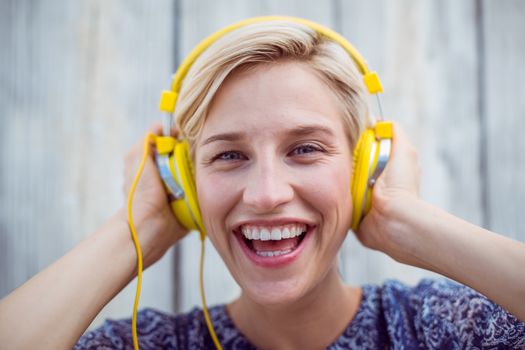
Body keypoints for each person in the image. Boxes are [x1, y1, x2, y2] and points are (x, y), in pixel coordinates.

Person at [1, 18, 524, 350]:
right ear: (184, 182)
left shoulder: (447, 328)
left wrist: (403, 216)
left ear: (363, 168)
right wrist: (135, 229)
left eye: (305, 149)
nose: (267, 194)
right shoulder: (146, 345)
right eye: (229, 155)